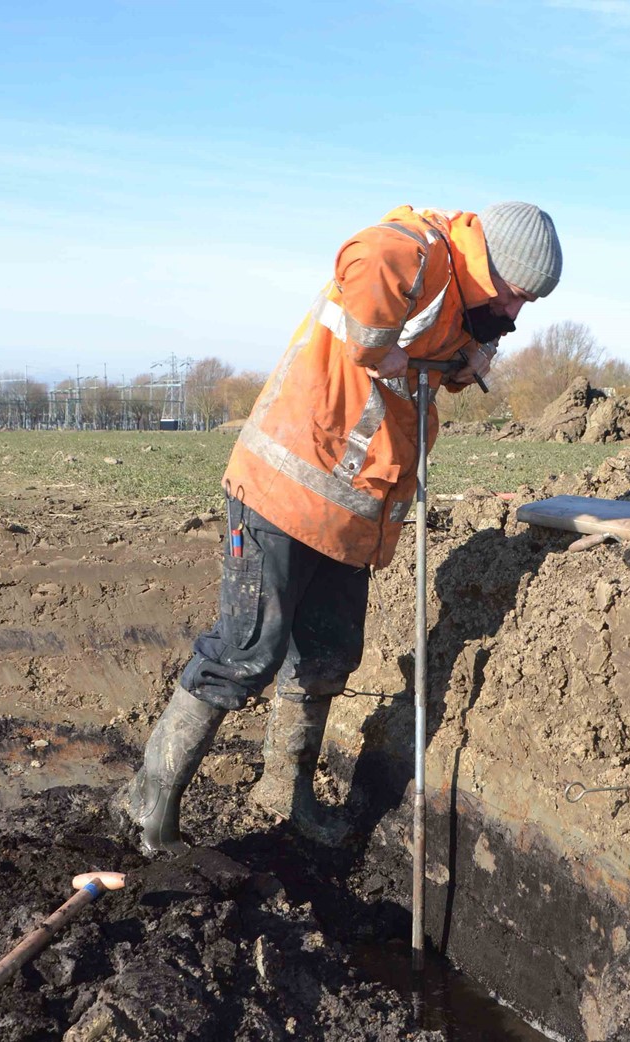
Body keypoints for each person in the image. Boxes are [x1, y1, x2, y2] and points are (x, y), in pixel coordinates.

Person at [119, 201, 562, 853]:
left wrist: (471, 355)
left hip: (355, 509)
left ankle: (285, 792)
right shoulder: (415, 254)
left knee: (326, 657)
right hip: (282, 489)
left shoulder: (466, 302)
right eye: (515, 295)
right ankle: (148, 799)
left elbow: (436, 358)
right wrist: (382, 348)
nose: (517, 314)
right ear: (487, 263)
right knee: (246, 653)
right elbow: (371, 262)